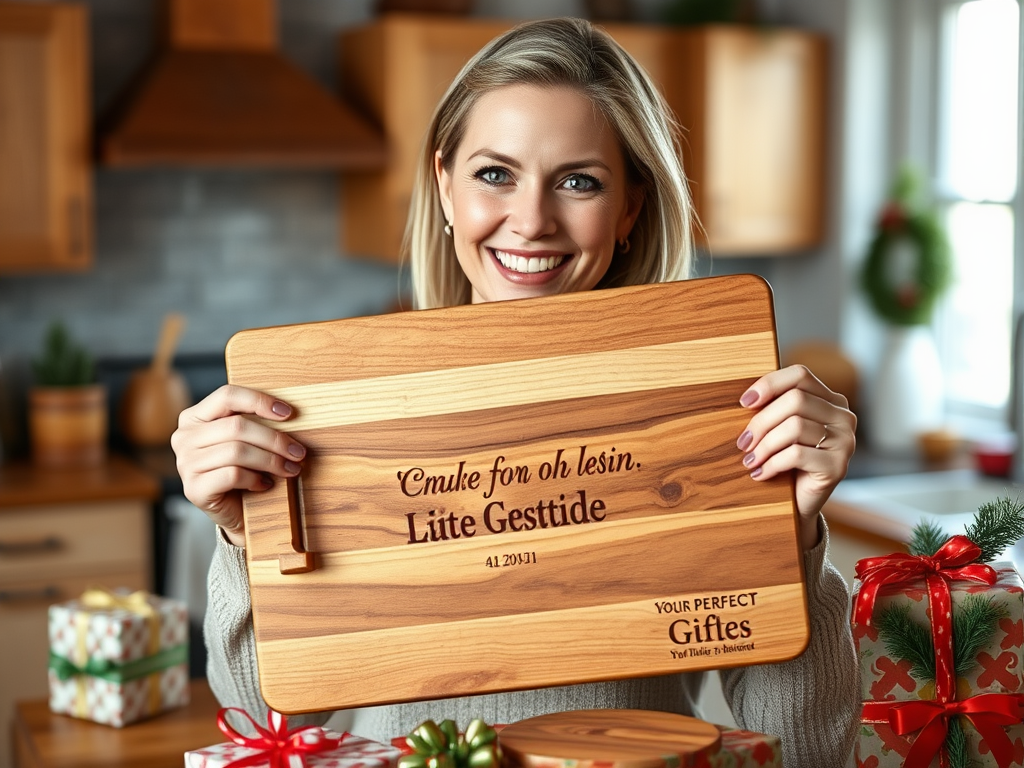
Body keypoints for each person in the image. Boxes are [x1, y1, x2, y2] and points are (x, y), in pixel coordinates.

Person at [171, 17, 859, 768]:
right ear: (445, 186)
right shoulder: (344, 414)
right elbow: (257, 721)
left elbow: (812, 753)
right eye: (495, 173)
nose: (530, 221)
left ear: (629, 209)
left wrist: (787, 542)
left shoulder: (712, 412)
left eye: (578, 181)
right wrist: (246, 538)